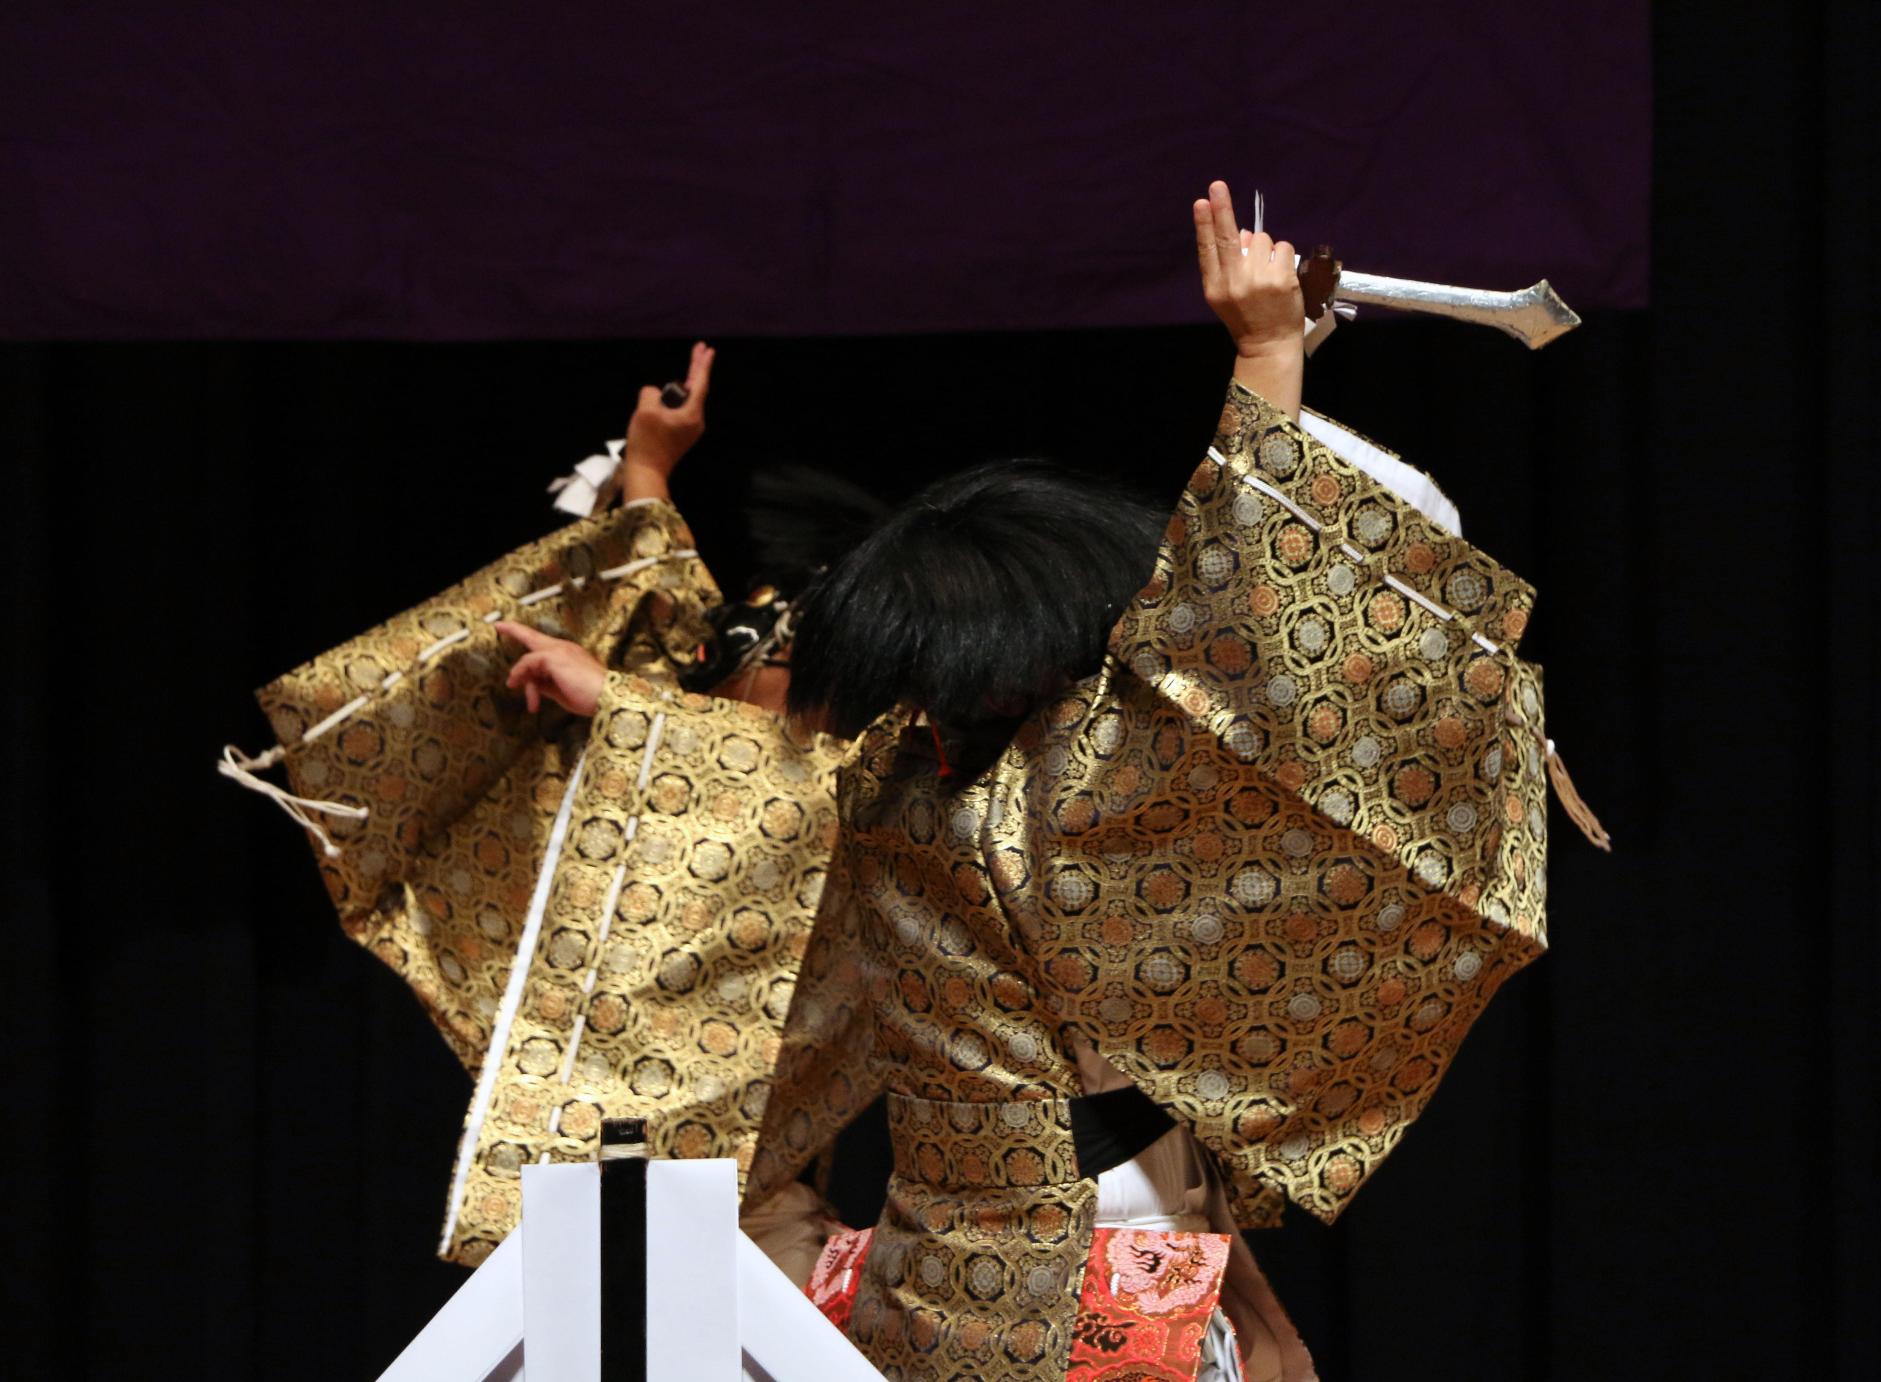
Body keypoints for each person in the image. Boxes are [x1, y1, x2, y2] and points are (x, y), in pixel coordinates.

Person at [732, 180, 1561, 1381]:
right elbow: (1242, 630)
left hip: (940, 1280)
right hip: (1100, 1271)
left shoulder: (883, 796)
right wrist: (1269, 352)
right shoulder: (1046, 801)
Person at [233, 344, 877, 1281]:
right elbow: (675, 636)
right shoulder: (680, 753)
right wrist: (650, 470)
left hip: (754, 1215)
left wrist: (618, 700)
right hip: (597, 1199)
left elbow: (777, 775)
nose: (714, 664)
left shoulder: (851, 794)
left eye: (761, 652)